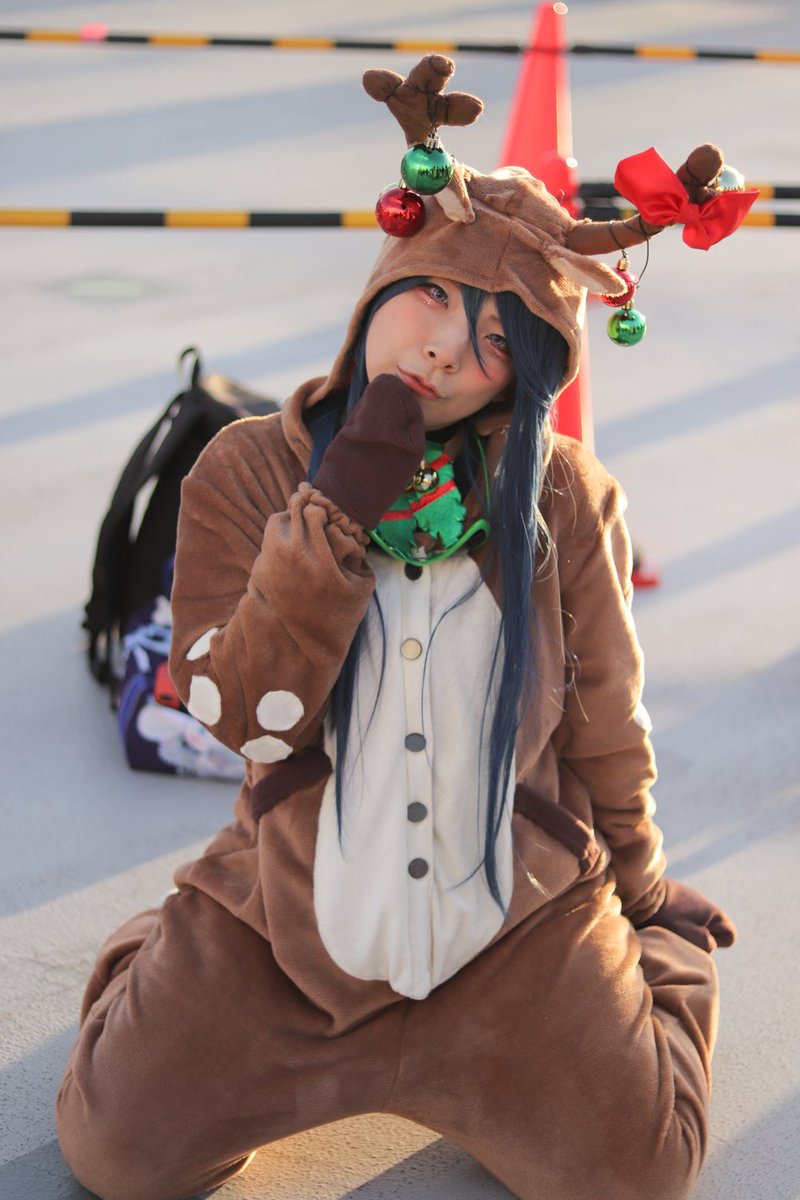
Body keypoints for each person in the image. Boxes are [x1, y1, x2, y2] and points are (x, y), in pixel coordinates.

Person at [56, 57, 740, 1200]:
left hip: (513, 934)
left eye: (492, 342)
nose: (441, 351)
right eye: (431, 299)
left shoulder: (563, 494)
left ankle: (645, 971)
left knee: (638, 1175)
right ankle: (160, 949)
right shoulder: (247, 469)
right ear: (383, 285)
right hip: (292, 932)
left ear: (521, 381)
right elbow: (244, 721)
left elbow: (603, 715)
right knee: (115, 1156)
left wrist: (640, 887)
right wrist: (333, 515)